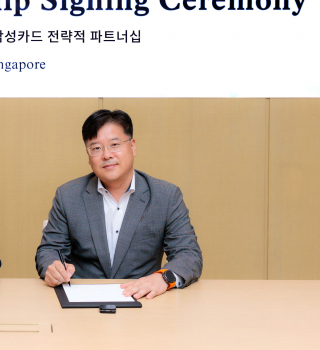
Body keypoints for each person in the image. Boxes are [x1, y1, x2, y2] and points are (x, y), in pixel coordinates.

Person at [35, 109, 202, 300]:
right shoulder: (68, 195)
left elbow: (188, 254)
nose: (107, 155)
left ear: (133, 146)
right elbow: (49, 250)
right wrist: (53, 267)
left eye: (114, 145)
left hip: (144, 301)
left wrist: (163, 278)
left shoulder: (166, 196)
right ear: (88, 156)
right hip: (83, 301)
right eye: (96, 148)